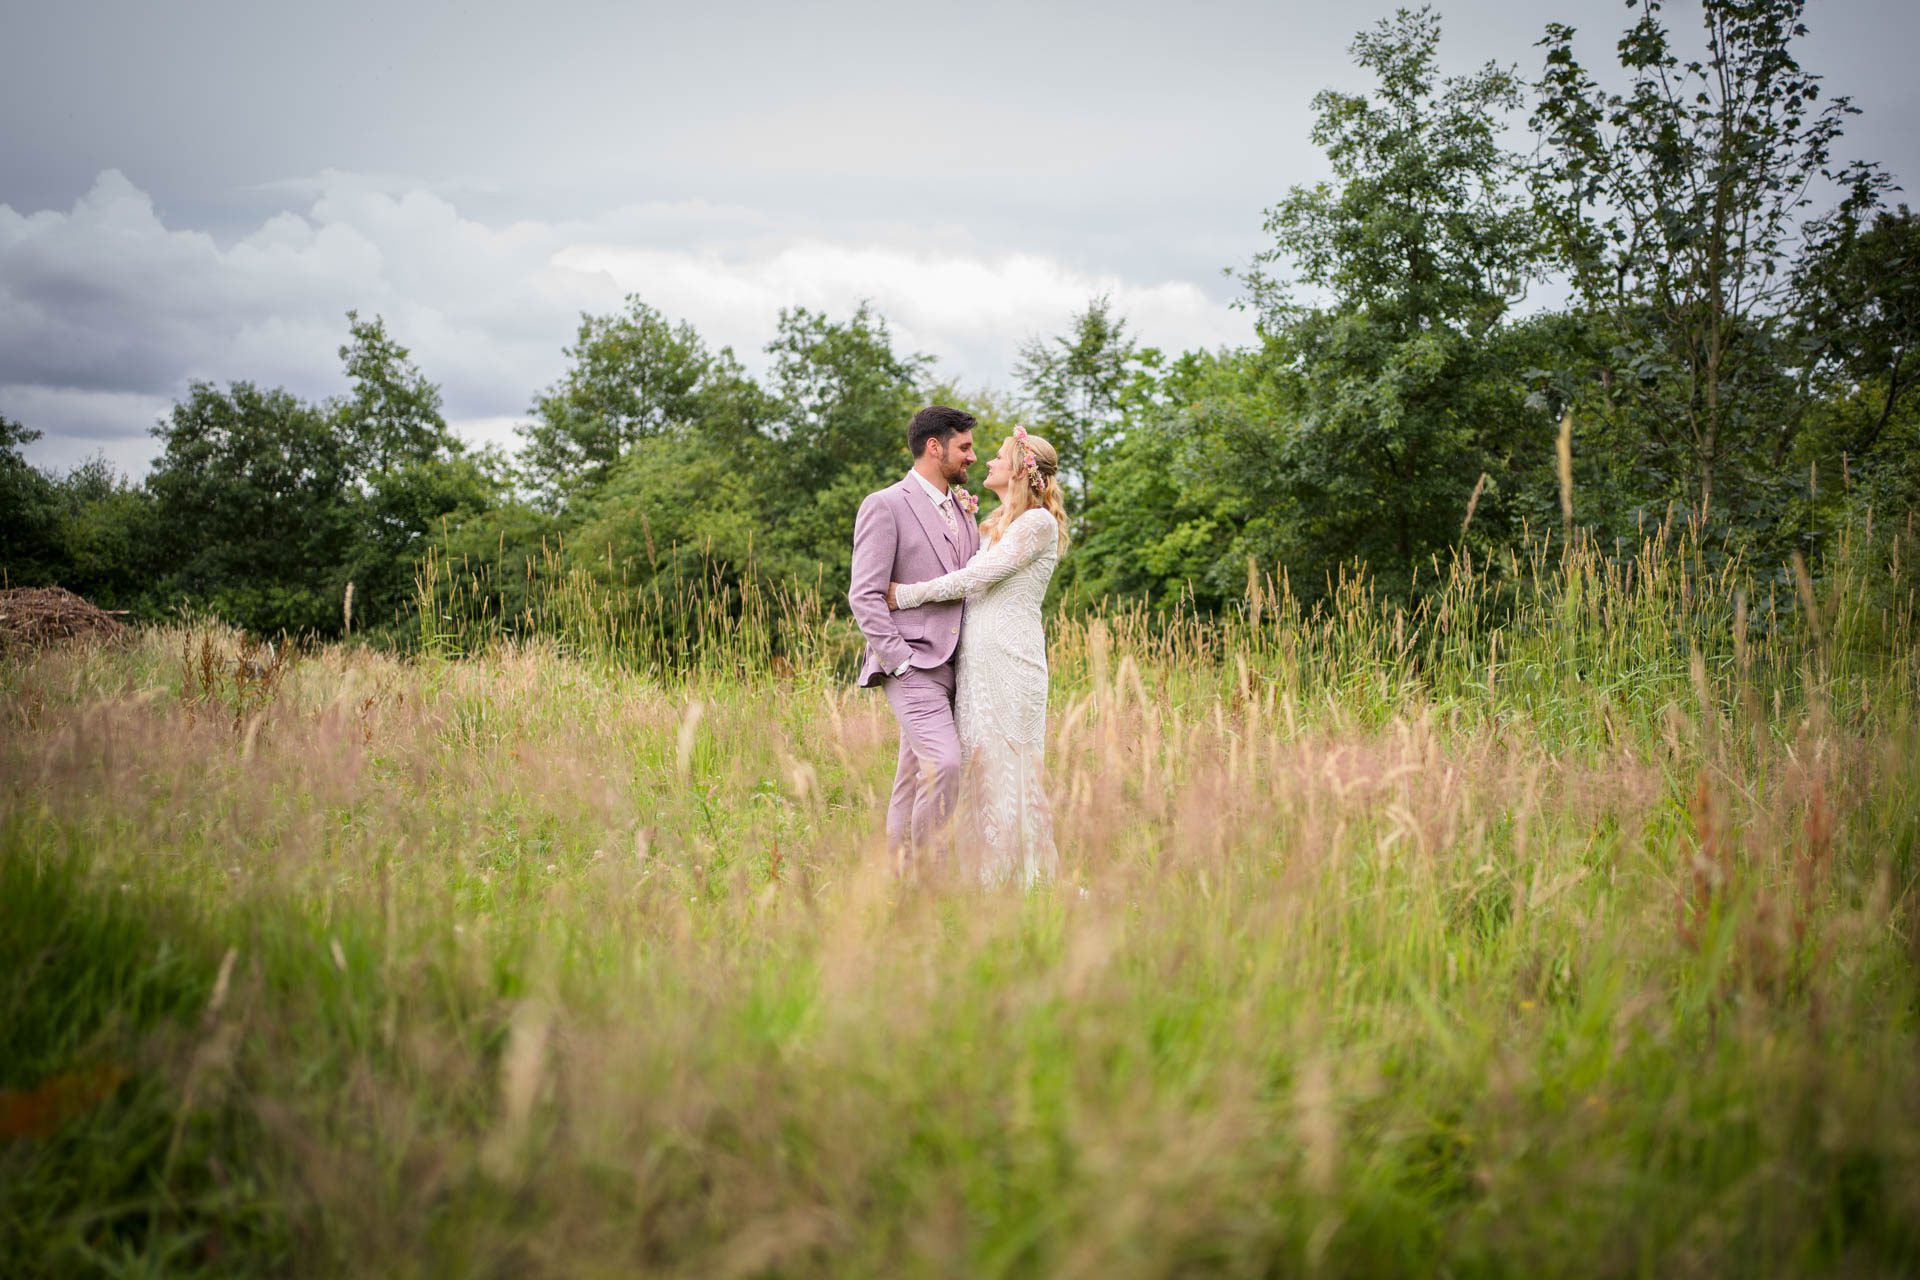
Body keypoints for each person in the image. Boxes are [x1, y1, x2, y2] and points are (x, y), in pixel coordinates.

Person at [888, 426, 1068, 887]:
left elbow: (977, 578)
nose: (987, 463)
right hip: (977, 664)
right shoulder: (996, 525)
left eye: (999, 458)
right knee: (978, 768)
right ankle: (978, 879)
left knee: (1009, 766)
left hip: (1011, 660)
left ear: (1024, 473)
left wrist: (904, 596)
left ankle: (1019, 881)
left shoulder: (1037, 524)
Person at [847, 405, 980, 876]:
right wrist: (900, 662)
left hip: (957, 668)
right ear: (934, 447)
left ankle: (895, 879)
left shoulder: (963, 508)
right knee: (945, 764)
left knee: (911, 778)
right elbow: (865, 595)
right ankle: (930, 878)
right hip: (913, 665)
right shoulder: (885, 504)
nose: (973, 457)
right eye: (964, 447)